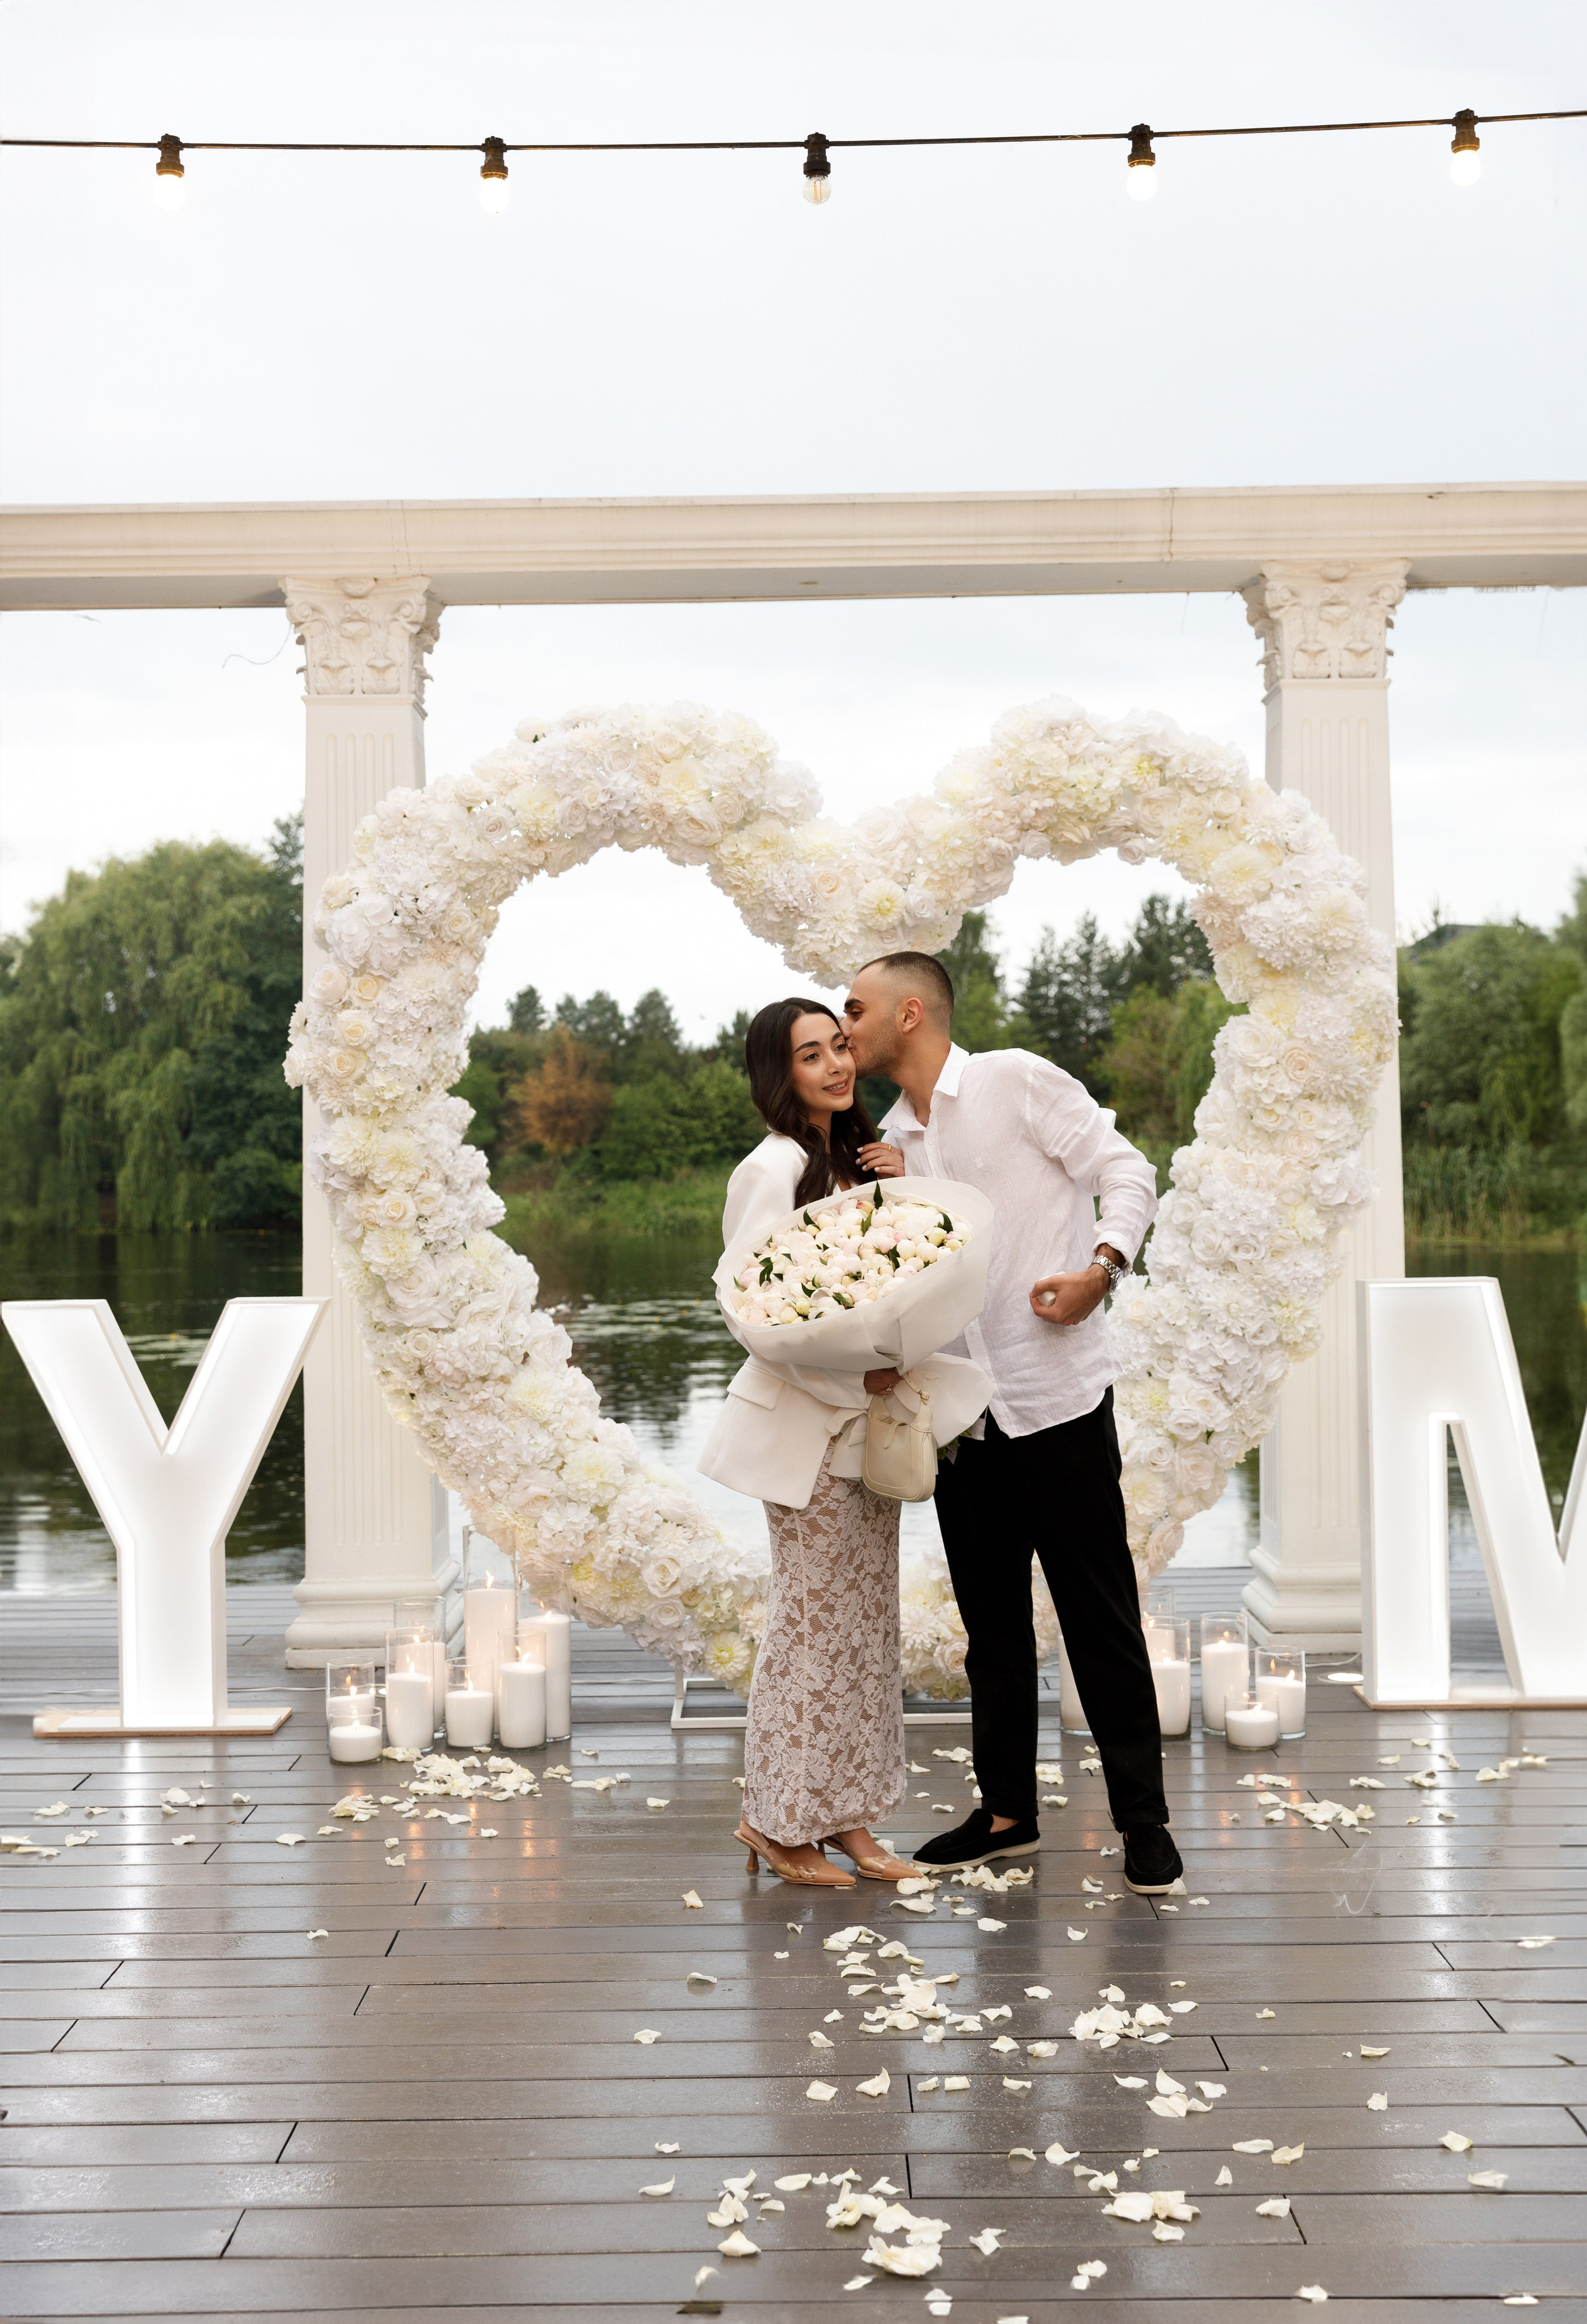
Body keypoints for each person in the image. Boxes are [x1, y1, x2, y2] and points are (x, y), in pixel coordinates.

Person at [842, 950, 1183, 1896]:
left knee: (1099, 1617)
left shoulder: (1016, 1081)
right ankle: (1005, 1815)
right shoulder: (891, 1139)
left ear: (911, 1013)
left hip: (1059, 1397)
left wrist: (1102, 1268)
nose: (846, 1025)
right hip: (962, 1415)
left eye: (857, 1008)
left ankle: (1145, 1823)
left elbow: (1127, 1168)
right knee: (990, 1628)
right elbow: (916, 1272)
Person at [697, 997, 989, 1890]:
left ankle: (851, 1818)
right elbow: (754, 1311)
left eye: (838, 1048)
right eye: (808, 1055)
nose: (832, 1066)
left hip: (864, 1433)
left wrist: (896, 1187)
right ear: (776, 1075)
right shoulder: (775, 1164)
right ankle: (776, 1820)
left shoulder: (847, 1159)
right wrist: (847, 1382)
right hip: (808, 1434)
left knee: (866, 1631)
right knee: (811, 1629)